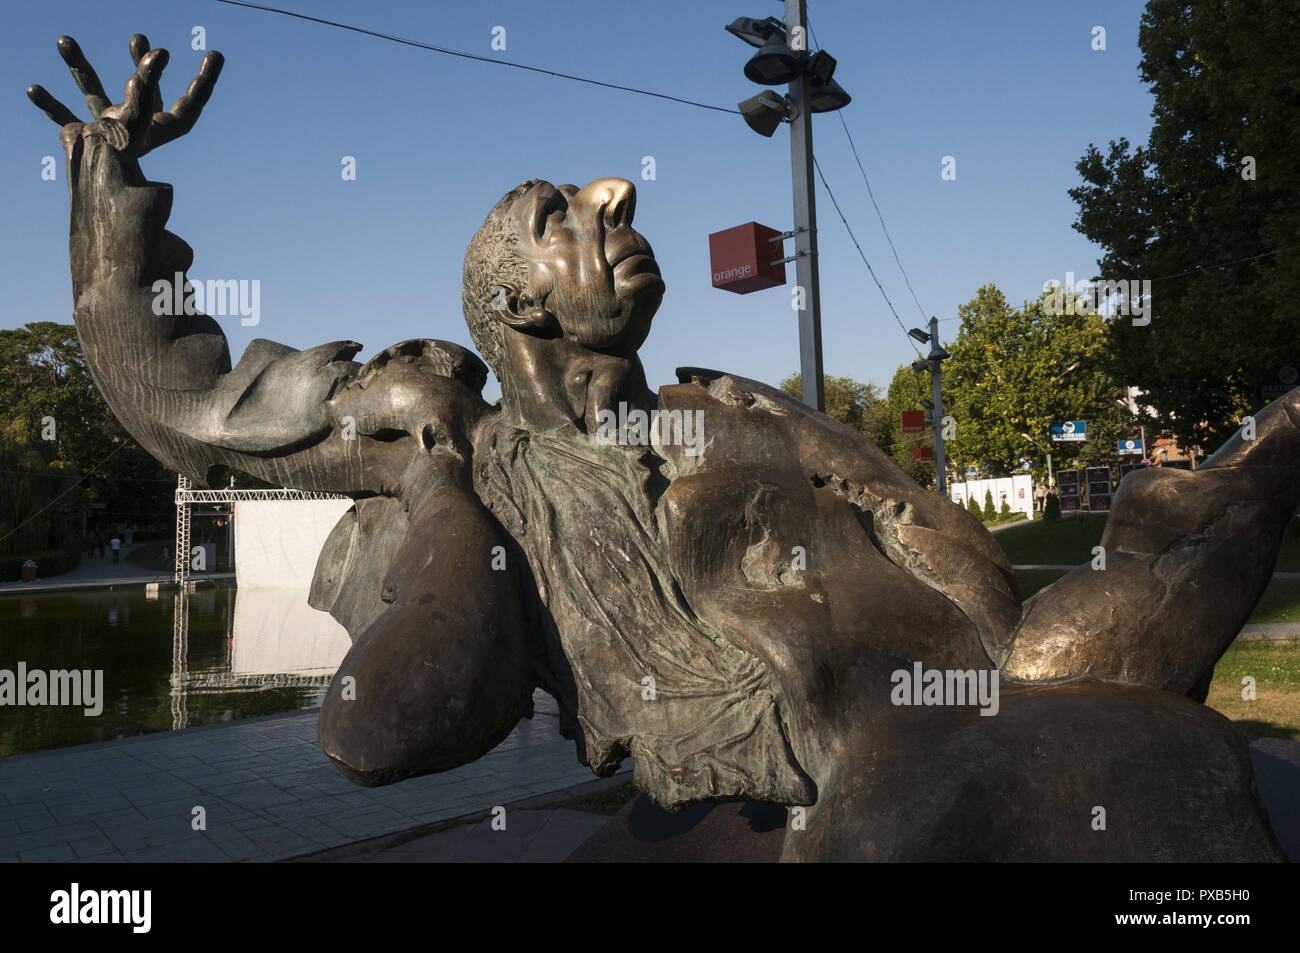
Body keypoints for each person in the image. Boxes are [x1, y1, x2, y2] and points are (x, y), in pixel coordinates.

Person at [29, 32, 1296, 860]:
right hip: (865, 770)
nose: (615, 198)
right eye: (558, 216)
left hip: (996, 667)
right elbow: (191, 417)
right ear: (517, 302)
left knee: (1140, 614)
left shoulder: (730, 404)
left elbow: (925, 537)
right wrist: (111, 188)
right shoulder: (453, 438)